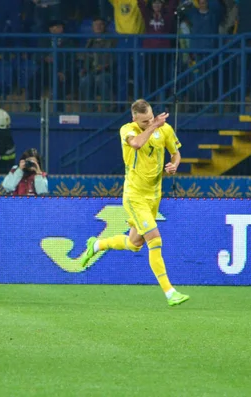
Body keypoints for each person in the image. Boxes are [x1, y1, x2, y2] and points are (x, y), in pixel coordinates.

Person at [79, 99, 189, 307]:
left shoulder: (164, 129)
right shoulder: (127, 130)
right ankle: (170, 292)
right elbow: (137, 144)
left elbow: (176, 153)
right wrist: (153, 127)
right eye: (144, 122)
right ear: (134, 119)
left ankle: (97, 244)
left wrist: (174, 165)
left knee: (134, 243)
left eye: (150, 119)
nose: (148, 123)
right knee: (154, 240)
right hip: (135, 196)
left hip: (154, 196)